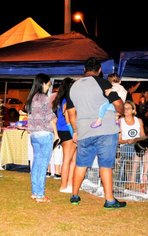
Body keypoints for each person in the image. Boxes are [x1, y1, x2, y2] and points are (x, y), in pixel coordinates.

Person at [66, 57, 126, 208]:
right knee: (105, 165)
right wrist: (120, 110)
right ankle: (110, 200)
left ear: (84, 70)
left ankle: (74, 196)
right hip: (106, 130)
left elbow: (71, 113)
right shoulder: (103, 83)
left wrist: (75, 130)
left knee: (81, 164)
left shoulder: (73, 87)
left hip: (84, 130)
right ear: (99, 70)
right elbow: (119, 105)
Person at [26, 73, 59, 203]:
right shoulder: (44, 98)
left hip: (34, 135)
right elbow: (51, 118)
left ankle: (35, 192)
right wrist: (56, 133)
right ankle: (40, 194)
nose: (48, 87)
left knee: (36, 164)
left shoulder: (32, 98)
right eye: (48, 84)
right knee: (43, 165)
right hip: (45, 134)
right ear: (43, 83)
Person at [51, 77, 76, 193]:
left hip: (62, 130)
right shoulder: (67, 100)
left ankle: (69, 184)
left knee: (72, 159)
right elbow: (68, 119)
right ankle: (64, 185)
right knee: (67, 159)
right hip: (68, 131)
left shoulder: (59, 100)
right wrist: (74, 133)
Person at [118, 100, 147, 183]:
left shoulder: (139, 121)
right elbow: (119, 140)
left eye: (128, 108)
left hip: (137, 144)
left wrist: (135, 139)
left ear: (133, 110)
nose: (126, 110)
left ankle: (144, 177)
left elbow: (143, 135)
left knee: (147, 151)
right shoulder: (120, 121)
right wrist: (128, 141)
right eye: (124, 108)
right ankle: (133, 180)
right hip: (125, 146)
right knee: (137, 151)